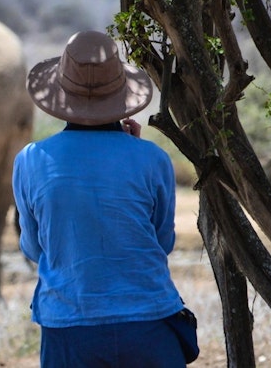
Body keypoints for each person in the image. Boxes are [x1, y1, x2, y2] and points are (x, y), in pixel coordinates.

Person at [13, 30, 194, 367]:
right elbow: (161, 242)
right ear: (122, 93)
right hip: (150, 325)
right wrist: (131, 150)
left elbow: (35, 249)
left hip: (69, 329)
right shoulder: (152, 159)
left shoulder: (30, 160)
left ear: (61, 95)